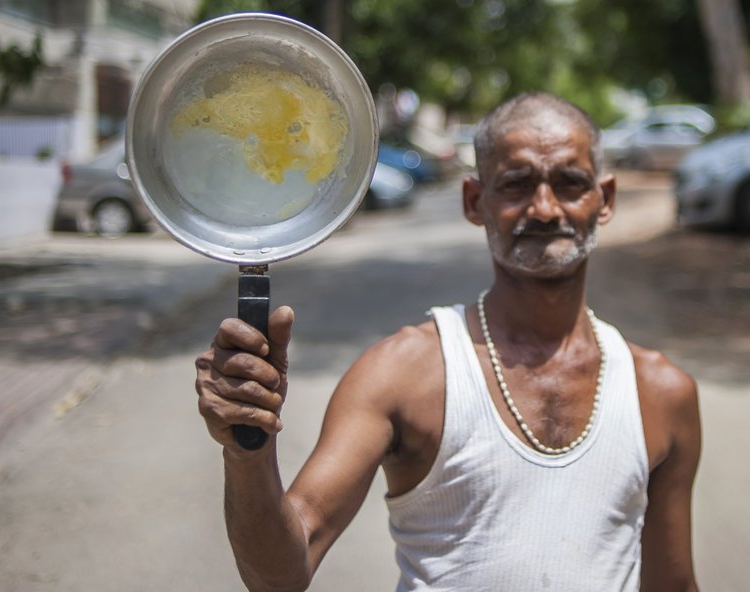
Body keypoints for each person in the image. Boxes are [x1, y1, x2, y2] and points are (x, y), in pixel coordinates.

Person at [195, 92, 702, 591]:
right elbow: (282, 572)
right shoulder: (402, 374)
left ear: (604, 199)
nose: (545, 209)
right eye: (516, 184)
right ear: (474, 202)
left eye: (569, 183)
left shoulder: (661, 392)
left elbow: (673, 584)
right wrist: (247, 453)